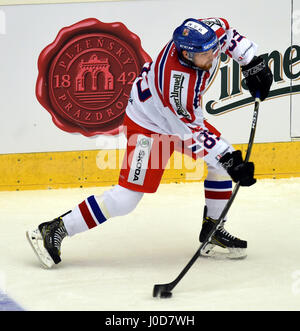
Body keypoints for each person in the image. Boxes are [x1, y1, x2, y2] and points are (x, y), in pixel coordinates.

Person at [26, 17, 273, 268]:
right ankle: (53, 229)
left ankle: (214, 231)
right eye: (206, 53)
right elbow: (191, 132)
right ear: (187, 53)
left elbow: (228, 35)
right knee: (125, 199)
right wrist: (229, 161)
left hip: (177, 120)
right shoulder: (177, 84)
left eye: (213, 48)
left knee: (222, 162)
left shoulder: (207, 36)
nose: (213, 55)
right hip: (150, 126)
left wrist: (250, 62)